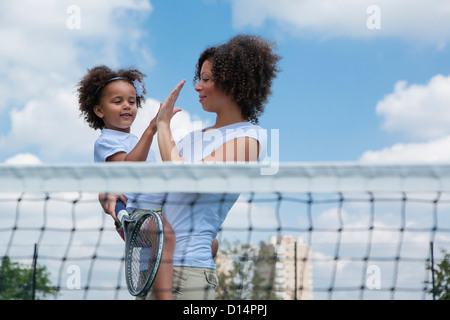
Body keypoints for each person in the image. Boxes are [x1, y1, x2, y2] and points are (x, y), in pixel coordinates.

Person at [152, 34, 281, 300]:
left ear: (232, 83)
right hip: (154, 270)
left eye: (206, 79)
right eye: (199, 78)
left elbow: (186, 180)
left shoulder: (250, 138)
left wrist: (162, 126)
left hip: (188, 273)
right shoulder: (189, 139)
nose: (198, 86)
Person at [76, 65, 176, 300]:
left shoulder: (133, 139)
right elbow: (130, 167)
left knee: (211, 244)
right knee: (166, 236)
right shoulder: (106, 141)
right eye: (117, 101)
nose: (127, 106)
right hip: (135, 217)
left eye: (132, 101)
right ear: (99, 110)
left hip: (157, 211)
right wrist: (152, 129)